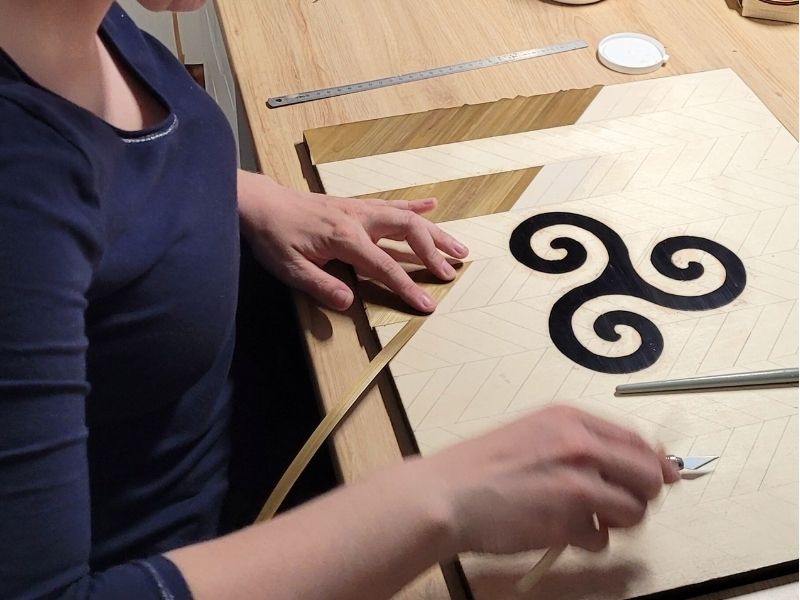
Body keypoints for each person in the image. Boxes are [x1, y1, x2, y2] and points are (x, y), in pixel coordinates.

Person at [0, 1, 680, 598]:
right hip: (212, 544)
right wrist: (445, 500)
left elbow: (101, 177)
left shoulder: (60, 22)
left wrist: (240, 193)